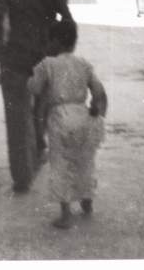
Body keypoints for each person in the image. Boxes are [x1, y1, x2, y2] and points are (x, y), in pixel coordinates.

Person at [0, 0, 75, 193]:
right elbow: (67, 21)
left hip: (15, 58)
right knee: (41, 110)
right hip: (46, 59)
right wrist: (62, 53)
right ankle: (38, 151)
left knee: (16, 117)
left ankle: (22, 176)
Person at [28, 19, 107, 229]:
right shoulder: (83, 64)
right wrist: (97, 110)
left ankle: (66, 213)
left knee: (60, 164)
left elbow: (34, 87)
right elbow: (99, 91)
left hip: (59, 118)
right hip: (82, 114)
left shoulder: (47, 64)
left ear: (54, 41)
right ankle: (87, 198)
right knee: (84, 160)